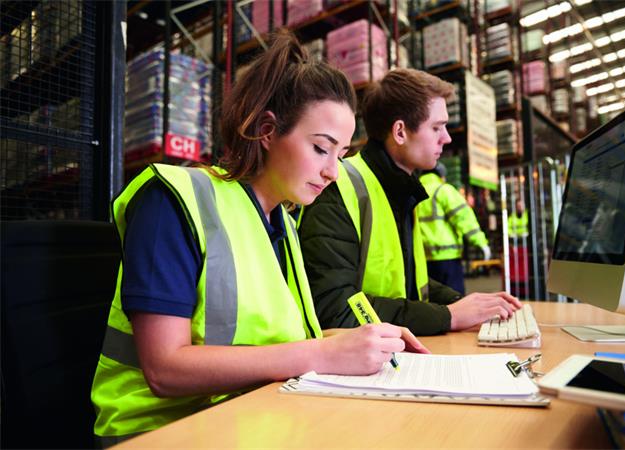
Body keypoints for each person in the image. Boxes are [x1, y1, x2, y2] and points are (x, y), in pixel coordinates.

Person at [90, 31, 428, 445]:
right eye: (321, 148)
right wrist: (321, 353)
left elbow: (281, 342)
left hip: (248, 416)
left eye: (340, 155)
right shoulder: (175, 200)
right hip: (160, 433)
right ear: (267, 131)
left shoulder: (282, 223)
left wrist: (364, 340)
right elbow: (164, 369)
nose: (333, 172)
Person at [299, 68, 521, 336]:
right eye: (436, 127)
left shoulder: (401, 191)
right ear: (400, 132)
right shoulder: (338, 189)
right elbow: (335, 309)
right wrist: (448, 316)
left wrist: (463, 303)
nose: (447, 137)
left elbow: (411, 285)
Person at [417, 162, 491, 295]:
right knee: (454, 298)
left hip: (422, 259)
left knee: (431, 300)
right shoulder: (443, 190)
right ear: (441, 175)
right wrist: (481, 242)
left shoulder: (414, 192)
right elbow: (463, 218)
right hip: (447, 257)